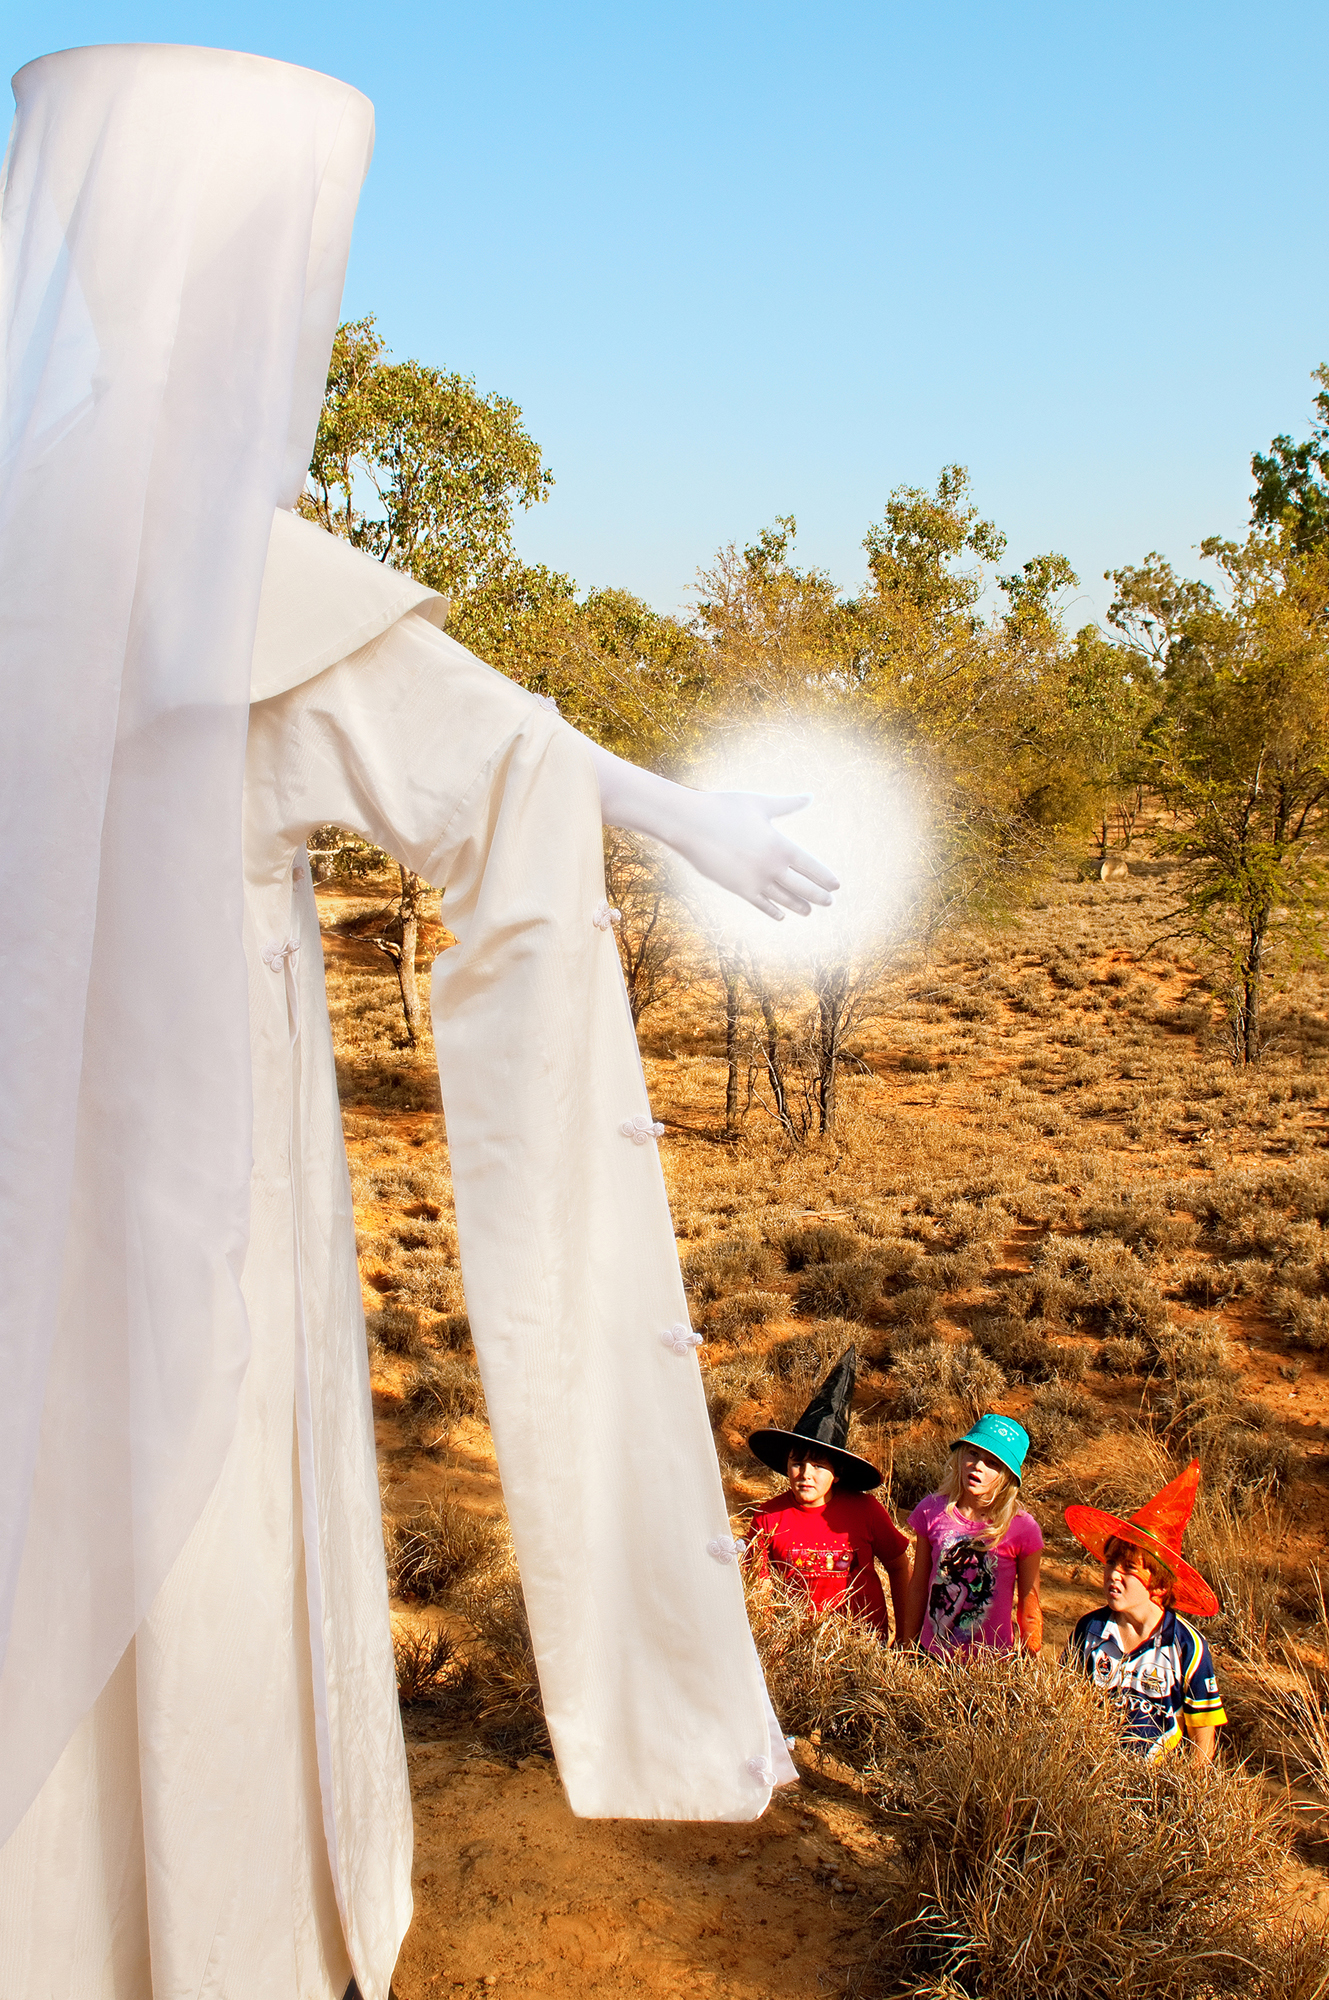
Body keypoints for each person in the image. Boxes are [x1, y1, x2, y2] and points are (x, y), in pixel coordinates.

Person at [0, 44, 826, 2000]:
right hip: (204, 1139)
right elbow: (488, 756)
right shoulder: (219, 553)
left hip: (37, 1143)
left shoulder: (28, 519)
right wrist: (684, 811)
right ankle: (211, 1943)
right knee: (204, 1507)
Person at [1063, 1460, 1226, 1763]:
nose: (1113, 1574)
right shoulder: (1090, 1630)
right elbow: (1063, 1701)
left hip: (1156, 1784)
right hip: (1089, 1773)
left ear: (1160, 1586)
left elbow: (1202, 1733)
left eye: (1129, 1569)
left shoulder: (1186, 1646)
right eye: (1111, 1563)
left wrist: (1189, 1791)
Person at [746, 1350, 910, 1638]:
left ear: (837, 1474)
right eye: (797, 1463)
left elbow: (898, 1566)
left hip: (865, 1646)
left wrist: (907, 1637)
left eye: (819, 1465)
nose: (806, 1474)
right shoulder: (766, 1518)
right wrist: (773, 1642)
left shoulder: (866, 1510)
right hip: (797, 1649)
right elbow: (759, 1589)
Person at [899, 1414, 1043, 1655]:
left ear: (1008, 1476)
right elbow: (918, 1586)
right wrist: (906, 1647)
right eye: (973, 1454)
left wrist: (1029, 1662)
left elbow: (1030, 1603)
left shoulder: (1023, 1529)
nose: (978, 1467)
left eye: (993, 1463)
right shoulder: (930, 1510)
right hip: (930, 1656)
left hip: (992, 1666)